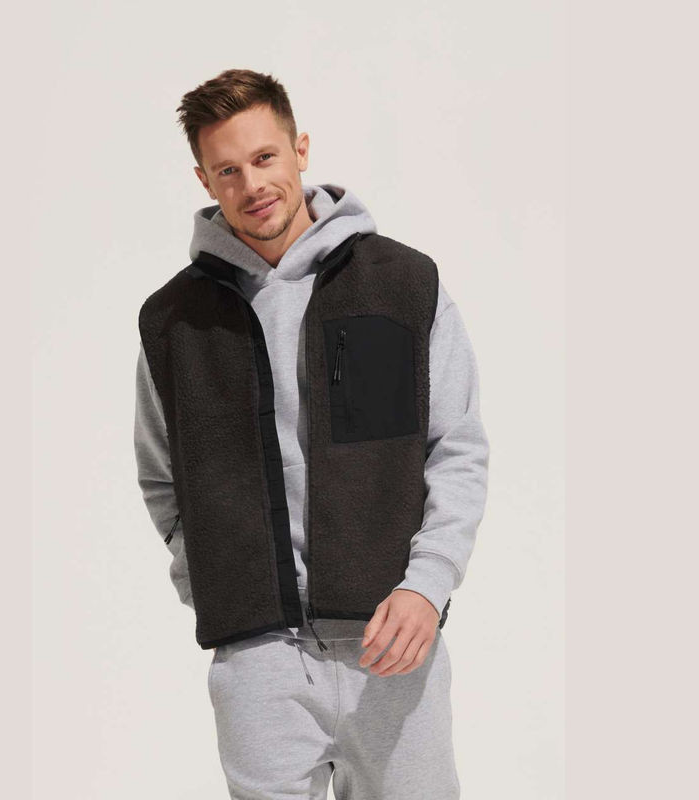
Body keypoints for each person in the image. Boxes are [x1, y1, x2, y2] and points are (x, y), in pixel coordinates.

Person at [134, 68, 489, 800]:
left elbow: (455, 451)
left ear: (300, 150)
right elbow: (163, 479)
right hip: (257, 657)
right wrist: (215, 587)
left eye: (264, 157)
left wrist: (427, 588)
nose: (252, 184)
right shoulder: (174, 321)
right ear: (204, 179)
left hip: (391, 639)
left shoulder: (402, 283)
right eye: (228, 170)